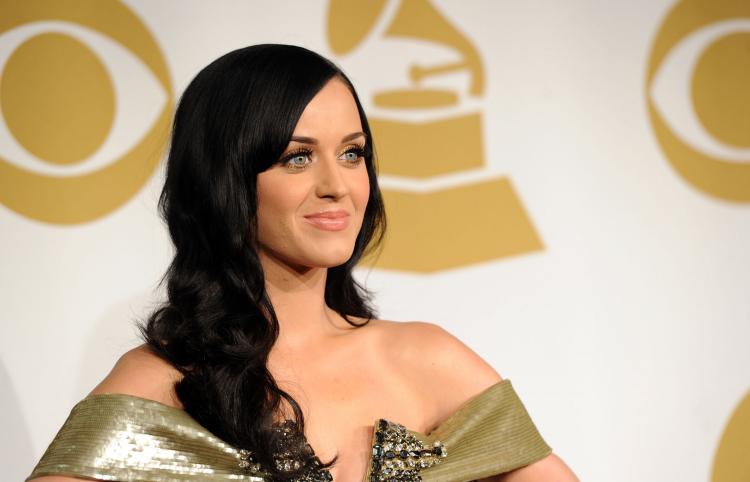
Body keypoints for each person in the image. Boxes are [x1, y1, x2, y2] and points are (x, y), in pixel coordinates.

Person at [27, 44, 578, 482]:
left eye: (352, 153)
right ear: (227, 182)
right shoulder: (162, 384)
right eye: (298, 157)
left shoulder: (427, 360)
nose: (337, 186)